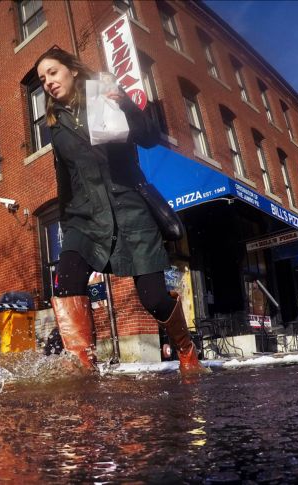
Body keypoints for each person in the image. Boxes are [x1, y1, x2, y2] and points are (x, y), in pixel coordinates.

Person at [34, 46, 208, 376]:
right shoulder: (55, 127)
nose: (48, 82)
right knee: (67, 283)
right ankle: (83, 370)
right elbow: (64, 176)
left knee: (154, 298)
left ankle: (186, 350)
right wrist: (66, 221)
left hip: (130, 208)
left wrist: (124, 102)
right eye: (43, 79)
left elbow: (148, 137)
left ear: (71, 70)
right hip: (84, 217)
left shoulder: (103, 96)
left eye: (53, 72)